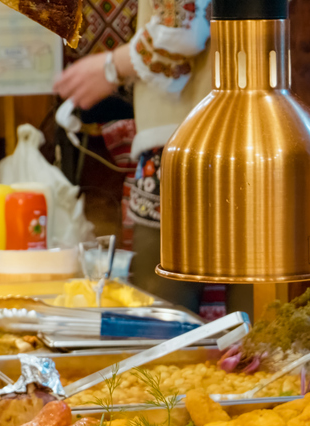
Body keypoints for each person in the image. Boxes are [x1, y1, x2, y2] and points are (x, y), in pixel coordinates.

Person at [54, 0, 215, 311]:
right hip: (235, 135)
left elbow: (178, 31)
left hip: (181, 144)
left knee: (164, 320)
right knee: (256, 330)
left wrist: (109, 67)